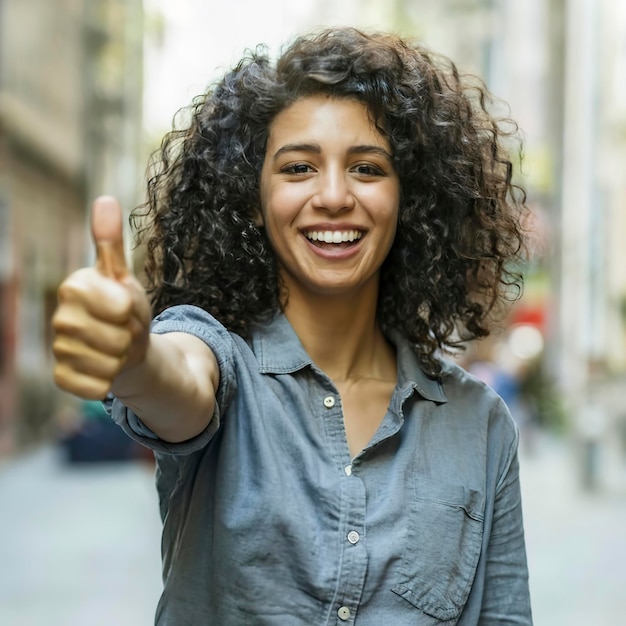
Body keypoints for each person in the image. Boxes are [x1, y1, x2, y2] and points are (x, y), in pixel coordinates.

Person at [52, 27, 532, 625]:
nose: (333, 196)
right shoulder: (218, 362)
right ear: (253, 198)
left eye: (367, 168)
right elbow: (175, 381)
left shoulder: (480, 426)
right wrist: (133, 359)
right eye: (299, 167)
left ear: (410, 198)